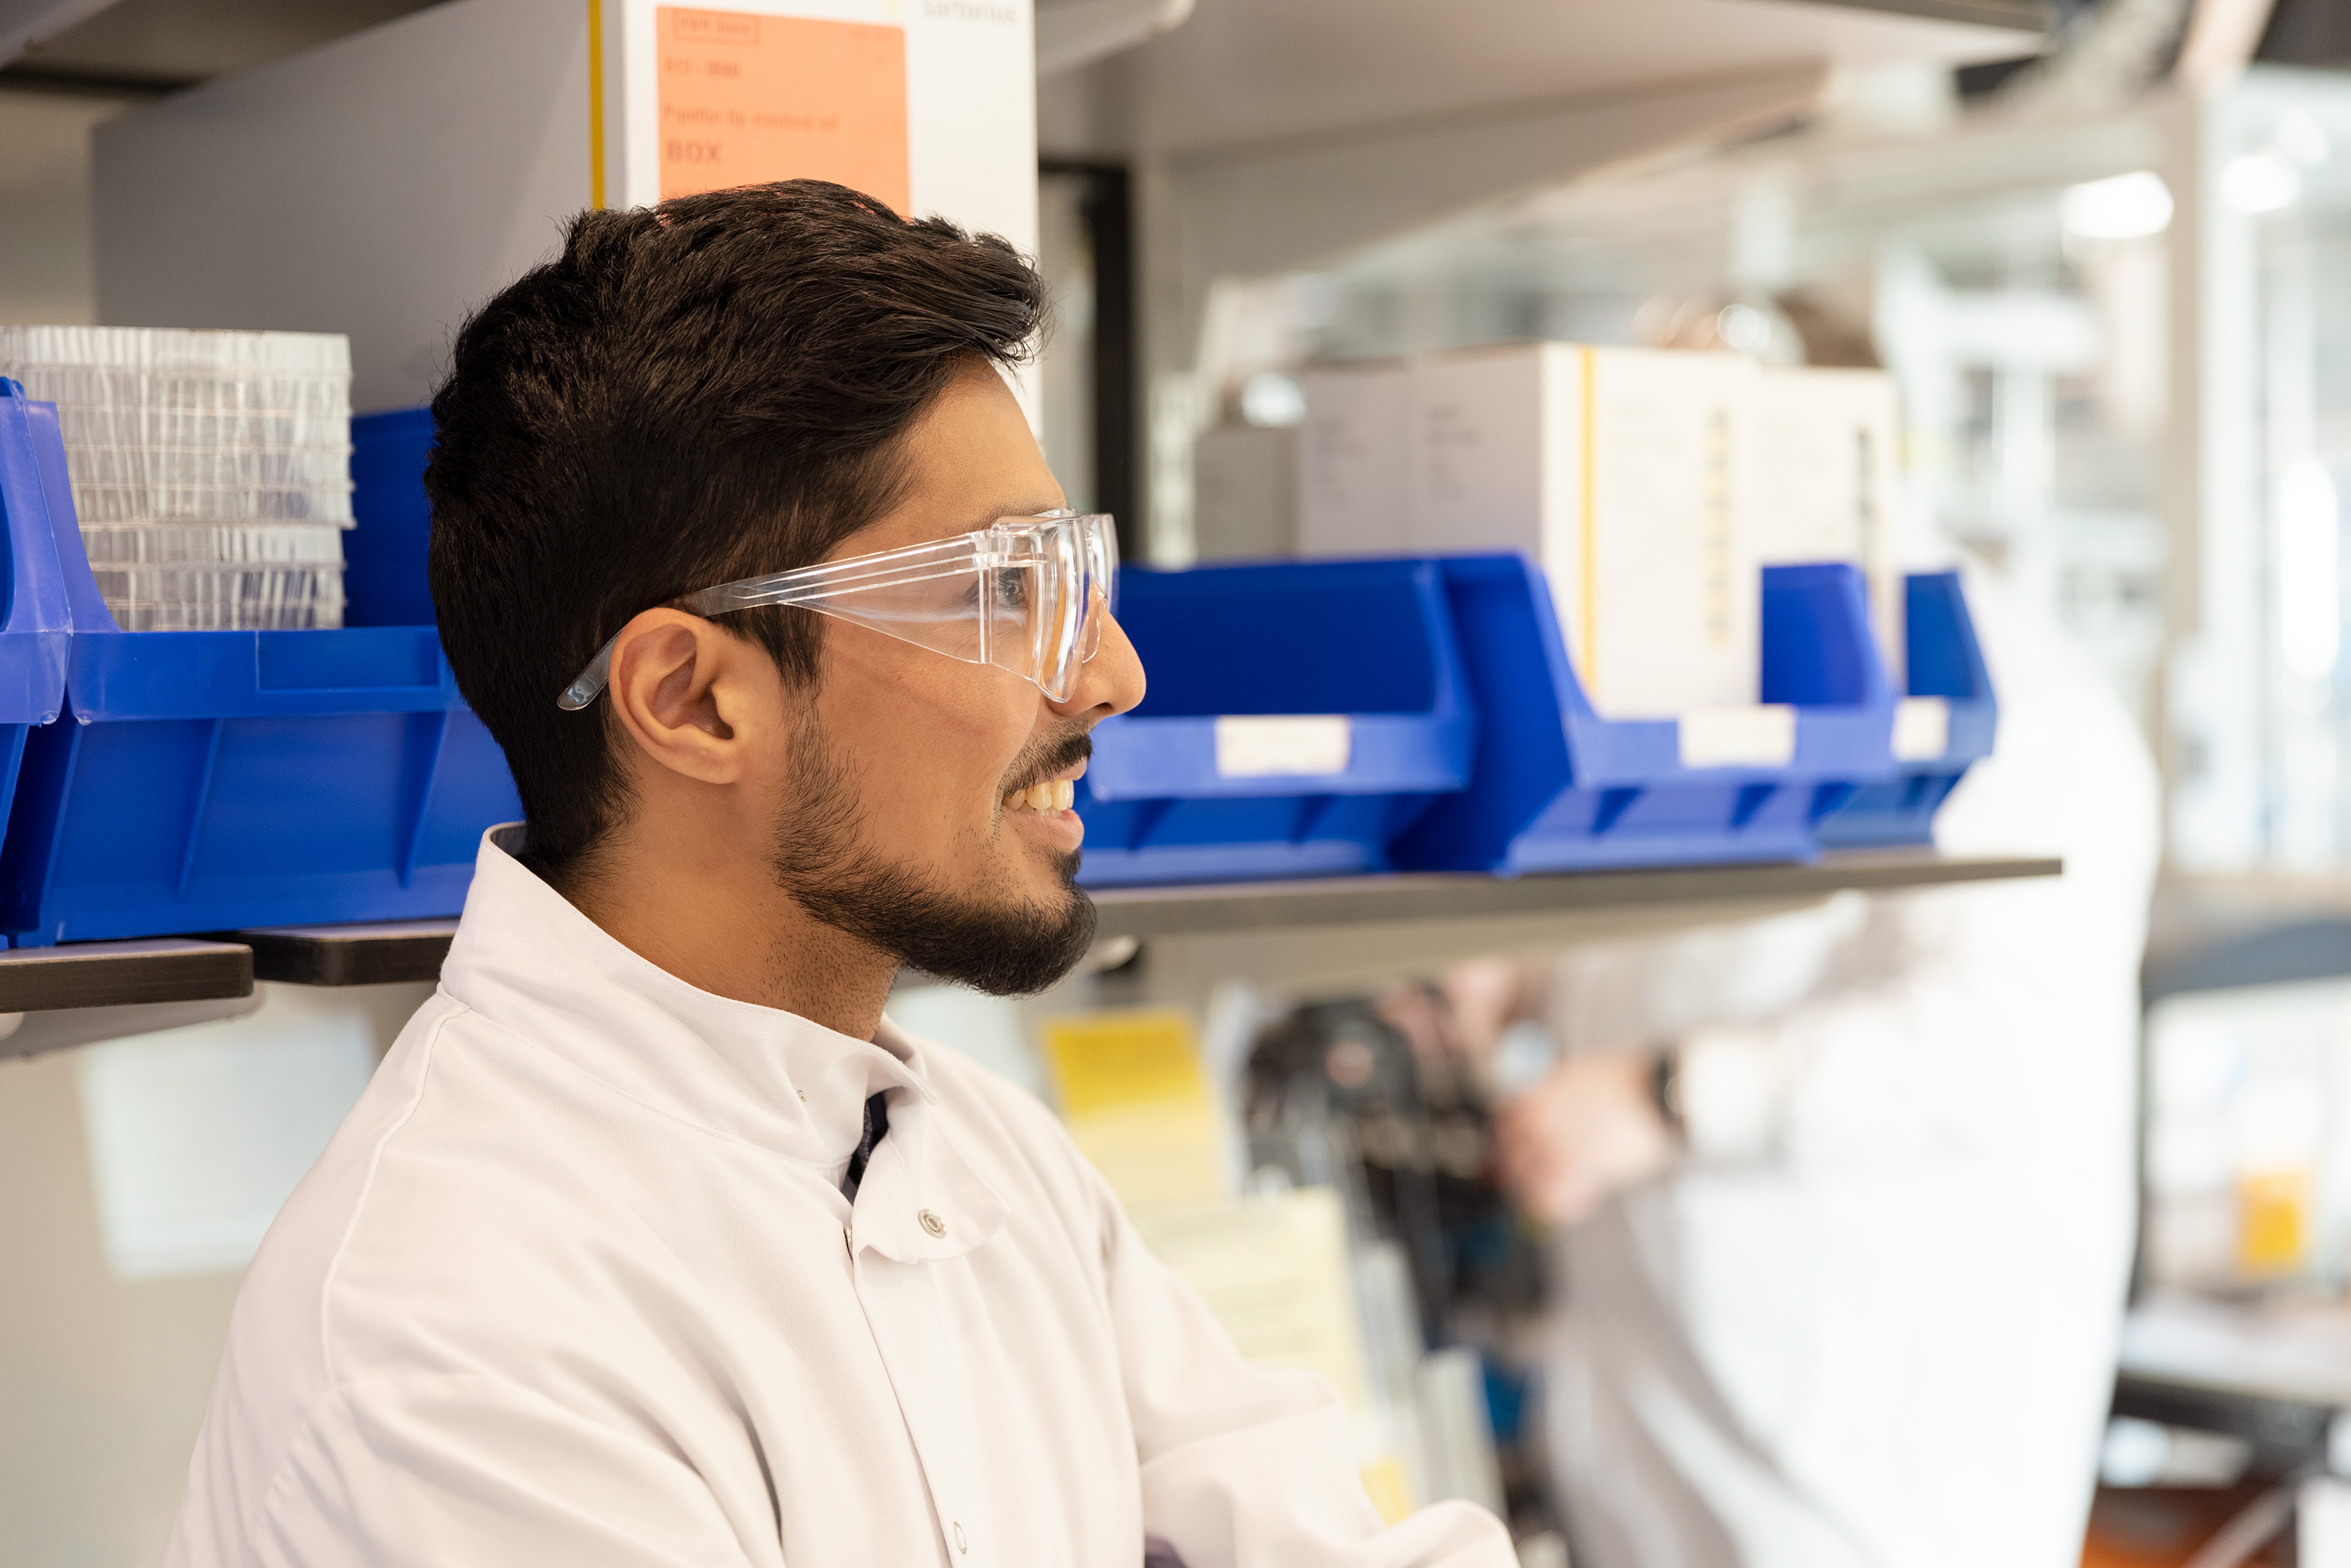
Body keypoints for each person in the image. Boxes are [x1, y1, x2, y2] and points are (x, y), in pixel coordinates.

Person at [163, 181, 1514, 1568]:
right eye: (1004, 590)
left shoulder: (987, 1157)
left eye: (1073, 576)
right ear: (691, 701)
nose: (1112, 675)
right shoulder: (459, 1339)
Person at [1486, 561, 2160, 1568]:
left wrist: (1665, 1094)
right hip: (1659, 1441)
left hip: (1860, 1478)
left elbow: (1996, 1039)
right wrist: (1530, 978)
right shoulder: (1689, 642)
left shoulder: (2022, 700)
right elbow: (1701, 944)